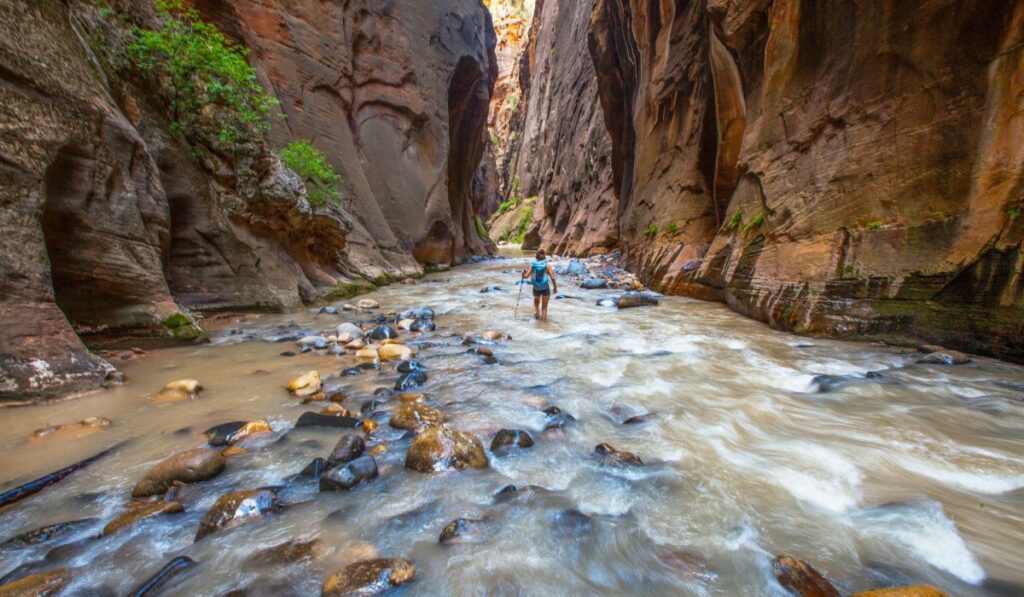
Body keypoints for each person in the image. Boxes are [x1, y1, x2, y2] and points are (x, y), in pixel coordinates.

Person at [522, 249, 557, 321]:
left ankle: (537, 314)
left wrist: (523, 274)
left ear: (536, 257)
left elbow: (526, 276)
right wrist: (555, 287)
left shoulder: (533, 265)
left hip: (536, 288)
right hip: (545, 288)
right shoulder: (548, 265)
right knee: (544, 308)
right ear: (544, 257)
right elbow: (552, 277)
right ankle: (542, 326)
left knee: (536, 302)